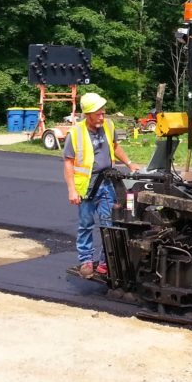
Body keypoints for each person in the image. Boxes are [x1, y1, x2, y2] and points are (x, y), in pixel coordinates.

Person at [63, 92, 140, 279]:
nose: (102, 116)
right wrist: (72, 190)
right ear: (88, 114)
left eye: (103, 112)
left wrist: (129, 163)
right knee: (86, 225)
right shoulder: (76, 133)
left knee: (109, 223)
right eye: (98, 113)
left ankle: (106, 263)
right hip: (87, 187)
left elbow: (114, 146)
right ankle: (86, 261)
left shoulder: (108, 126)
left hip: (107, 183)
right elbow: (68, 162)